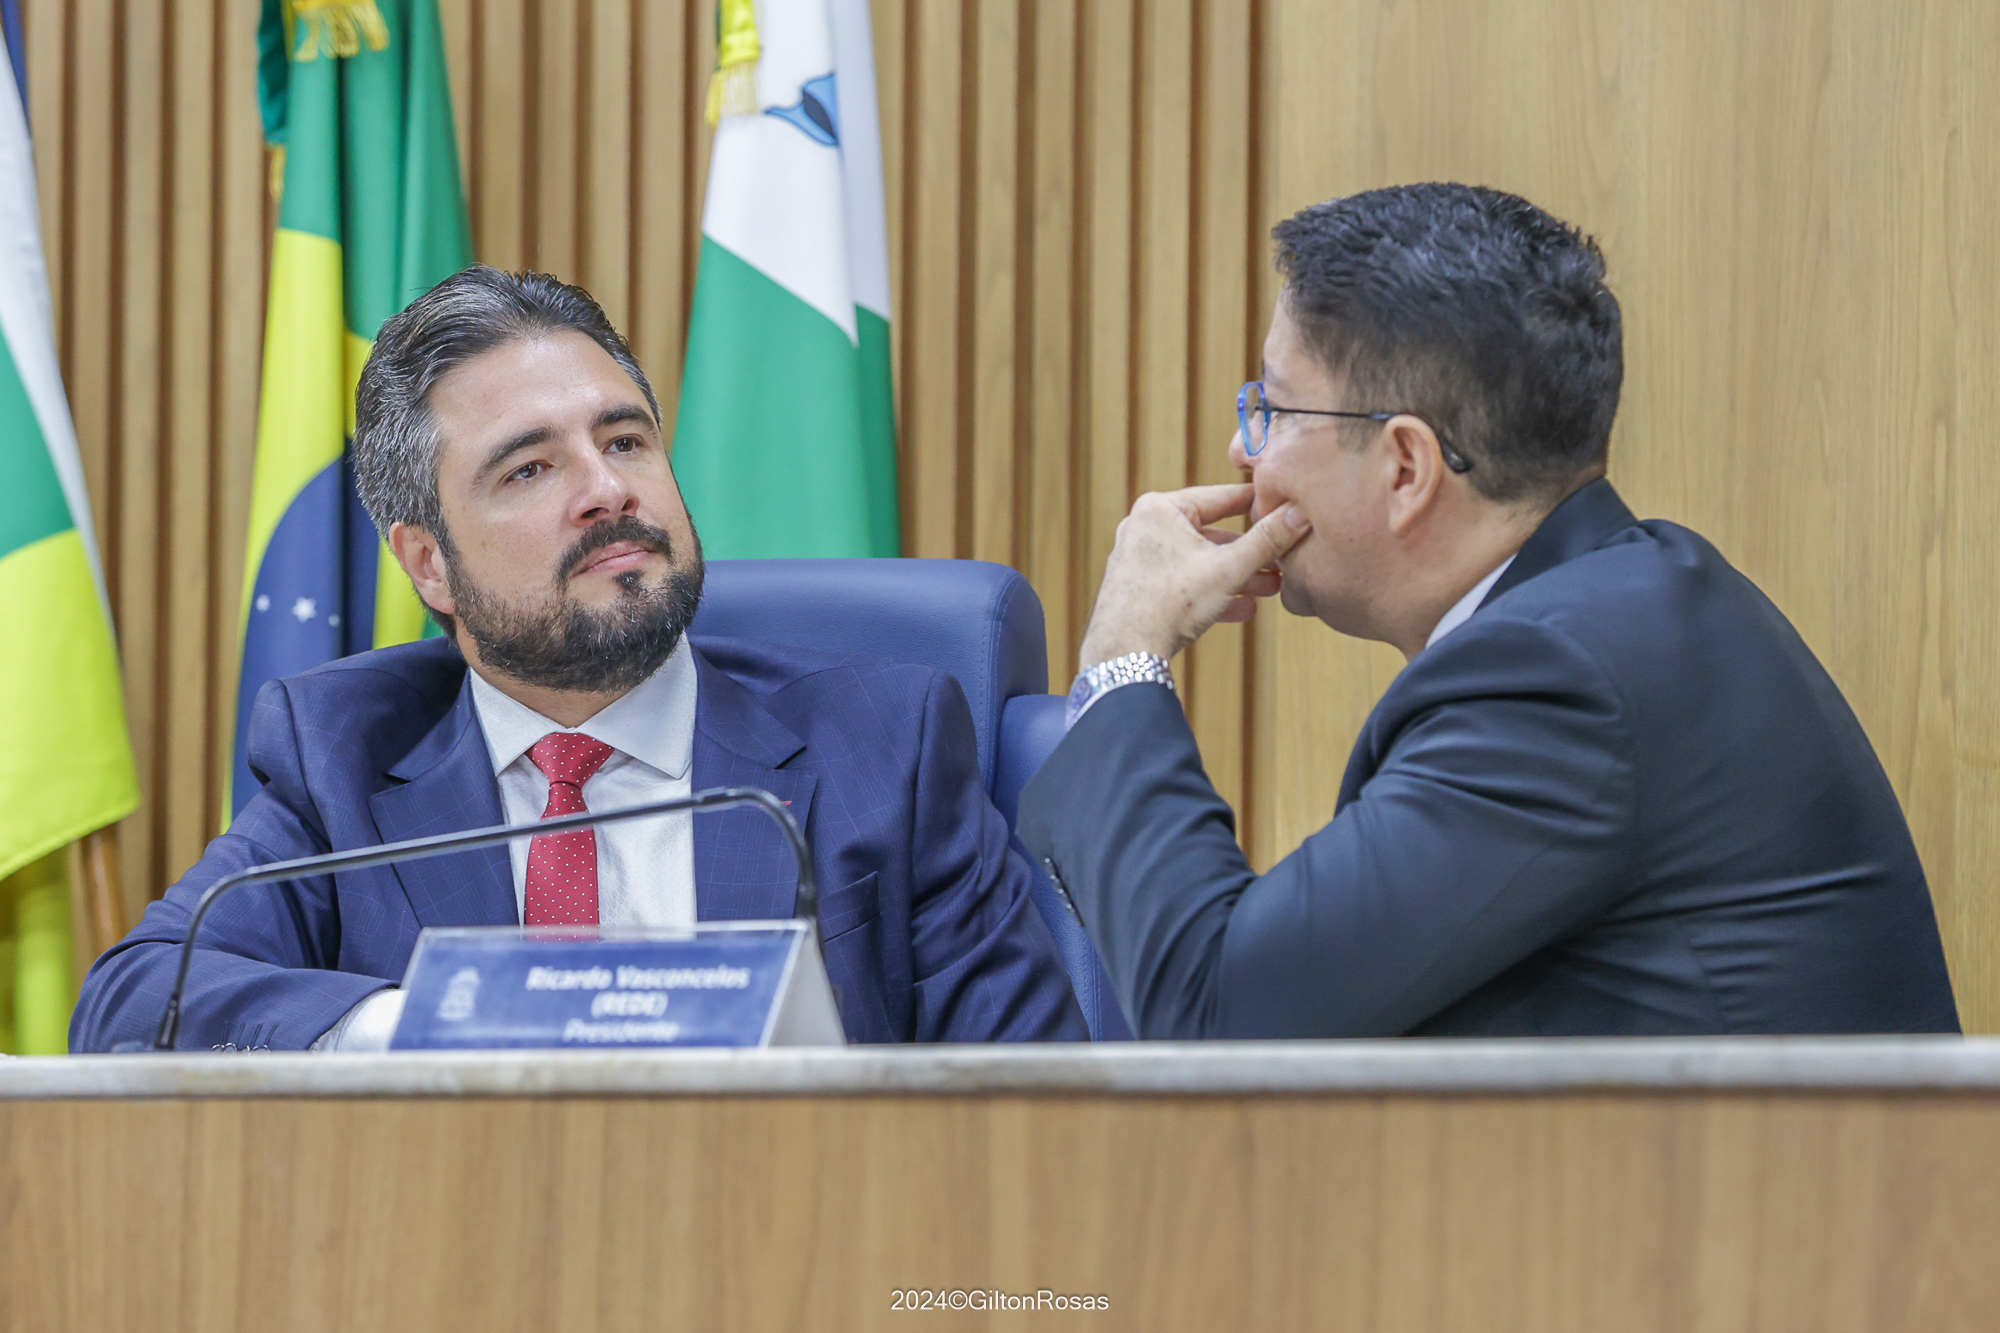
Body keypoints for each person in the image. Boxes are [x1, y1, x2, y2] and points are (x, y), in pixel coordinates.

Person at [1018, 183, 1958, 1038]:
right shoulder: (1619, 609)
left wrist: (1125, 657)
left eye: (1277, 408)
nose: (1243, 447)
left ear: (1406, 468)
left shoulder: (1558, 682)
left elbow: (1221, 1015)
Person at [72, 265, 1086, 1052]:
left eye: (626, 440)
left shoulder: (885, 744)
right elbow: (133, 1000)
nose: (607, 490)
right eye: (530, 468)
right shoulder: (346, 755)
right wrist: (432, 1025)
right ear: (429, 563)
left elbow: (1036, 1108)